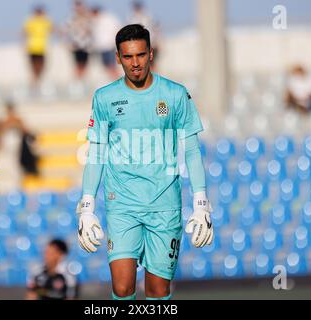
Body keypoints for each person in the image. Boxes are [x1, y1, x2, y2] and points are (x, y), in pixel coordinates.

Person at [76, 24, 213, 300]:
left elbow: (192, 151)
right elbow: (97, 153)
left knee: (158, 291)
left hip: (165, 207)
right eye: (127, 57)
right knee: (123, 287)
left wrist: (201, 204)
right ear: (117, 57)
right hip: (122, 206)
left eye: (140, 55)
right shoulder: (105, 98)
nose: (135, 63)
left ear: (150, 54)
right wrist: (87, 206)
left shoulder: (175, 94)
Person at [23, 6, 55, 83]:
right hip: (32, 47)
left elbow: (52, 29)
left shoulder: (46, 21)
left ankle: (37, 80)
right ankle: (34, 80)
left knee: (41, 66)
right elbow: (25, 32)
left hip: (42, 48)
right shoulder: (31, 21)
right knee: (33, 66)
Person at [127, 1, 161, 69]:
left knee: (152, 61)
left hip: (151, 42)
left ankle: (155, 76)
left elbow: (156, 28)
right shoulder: (132, 18)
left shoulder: (148, 16)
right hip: (139, 44)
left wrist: (158, 41)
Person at [90, 6, 121, 80]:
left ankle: (117, 79)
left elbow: (117, 28)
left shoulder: (108, 18)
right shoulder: (95, 21)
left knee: (112, 65)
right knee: (106, 65)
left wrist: (114, 41)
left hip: (109, 46)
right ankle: (113, 80)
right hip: (102, 47)